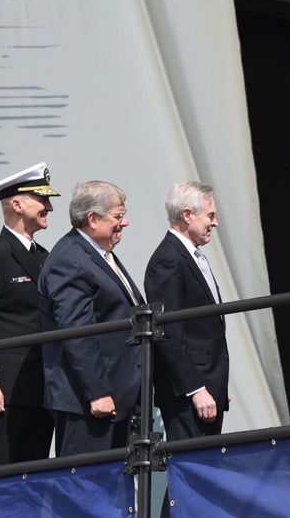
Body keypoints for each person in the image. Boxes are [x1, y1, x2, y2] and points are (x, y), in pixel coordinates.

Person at [0, 163, 59, 466]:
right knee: (2, 474)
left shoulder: (44, 257)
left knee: (35, 472)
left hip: (43, 386)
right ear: (17, 204)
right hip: (10, 388)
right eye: (42, 200)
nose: (50, 207)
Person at [38, 180, 143, 456]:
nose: (126, 222)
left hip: (116, 399)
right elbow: (77, 331)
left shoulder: (99, 254)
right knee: (84, 490)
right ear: (93, 219)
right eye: (119, 216)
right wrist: (98, 392)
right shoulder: (70, 260)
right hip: (89, 403)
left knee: (111, 491)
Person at [145, 181, 230, 441]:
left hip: (207, 384)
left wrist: (217, 382)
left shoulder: (191, 254)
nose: (215, 223)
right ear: (187, 215)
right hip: (189, 394)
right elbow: (169, 332)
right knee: (190, 470)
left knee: (202, 469)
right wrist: (196, 389)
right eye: (211, 216)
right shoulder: (168, 258)